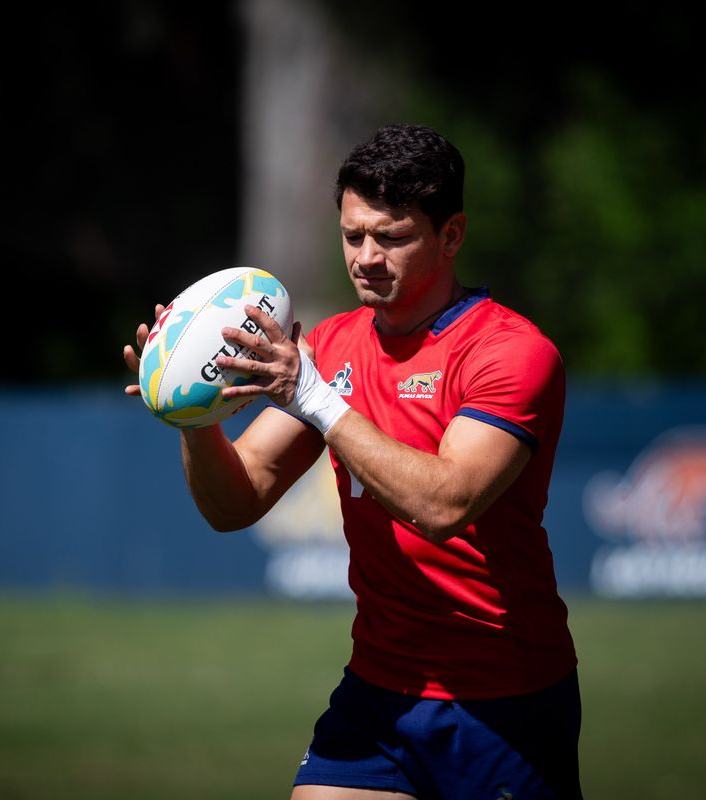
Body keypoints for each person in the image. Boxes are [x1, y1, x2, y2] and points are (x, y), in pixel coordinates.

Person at [124, 123, 582, 800]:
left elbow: (444, 505)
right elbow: (235, 501)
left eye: (390, 237)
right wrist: (193, 413)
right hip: (379, 686)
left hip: (503, 696)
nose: (366, 257)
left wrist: (313, 396)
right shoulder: (332, 346)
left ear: (451, 235)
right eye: (352, 235)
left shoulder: (511, 352)